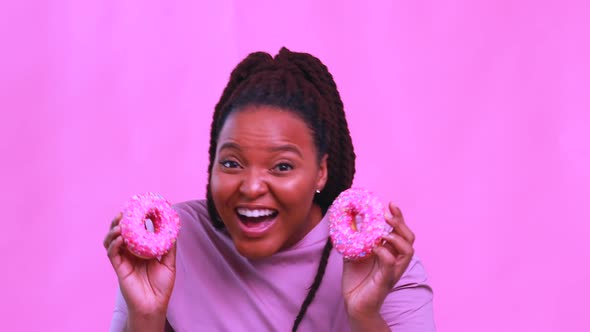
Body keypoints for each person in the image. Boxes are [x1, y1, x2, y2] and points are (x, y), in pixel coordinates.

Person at [104, 47, 435, 331]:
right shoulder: (175, 248)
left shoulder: (384, 264)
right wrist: (146, 316)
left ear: (321, 172)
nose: (250, 187)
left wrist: (364, 316)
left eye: (282, 167)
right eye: (232, 163)